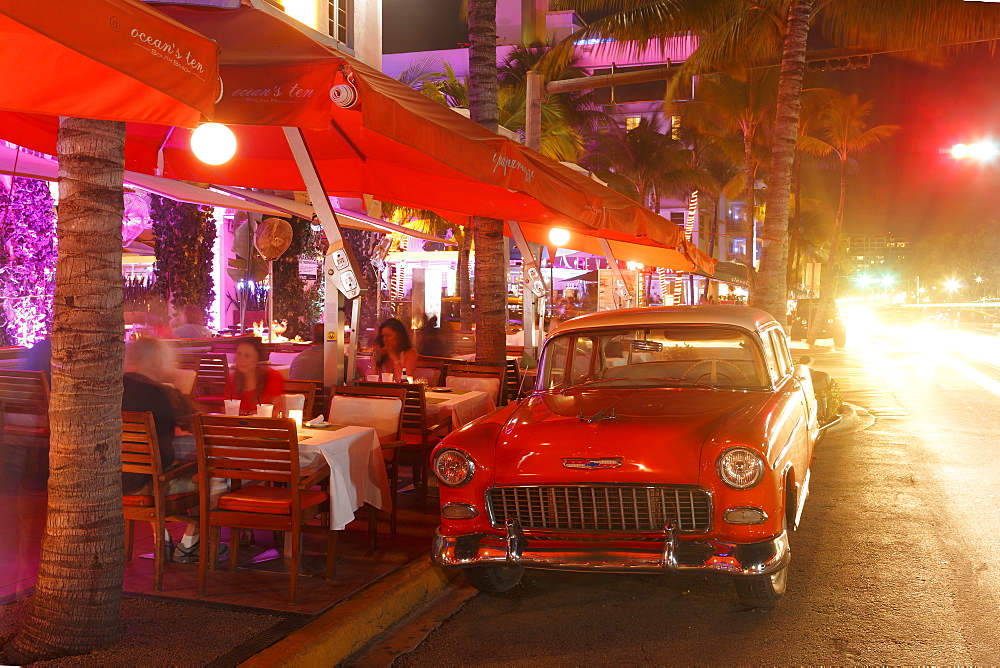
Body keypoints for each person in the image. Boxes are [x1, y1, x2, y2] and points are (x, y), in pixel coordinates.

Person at [120, 337, 221, 563]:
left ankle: (162, 542)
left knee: (150, 464)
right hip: (154, 483)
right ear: (156, 362)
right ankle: (189, 544)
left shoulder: (113, 389)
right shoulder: (159, 393)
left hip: (119, 480)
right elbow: (197, 423)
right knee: (211, 475)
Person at [226, 339, 286, 416]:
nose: (241, 359)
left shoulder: (272, 377)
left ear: (257, 359)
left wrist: (248, 414)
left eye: (247, 356)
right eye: (239, 354)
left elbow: (279, 411)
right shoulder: (232, 379)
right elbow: (227, 410)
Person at [371, 317, 418, 382]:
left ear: (399, 337)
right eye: (383, 336)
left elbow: (405, 380)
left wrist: (393, 357)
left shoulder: (410, 353)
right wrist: (374, 360)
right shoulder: (382, 355)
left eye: (388, 336)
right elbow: (370, 380)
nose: (384, 339)